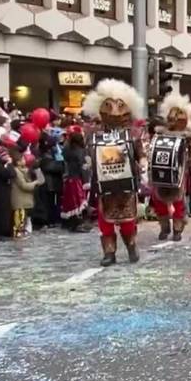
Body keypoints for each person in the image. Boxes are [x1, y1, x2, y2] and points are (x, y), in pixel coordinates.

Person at [82, 79, 146, 266]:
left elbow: (140, 154)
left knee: (127, 220)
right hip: (105, 185)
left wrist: (142, 164)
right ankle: (109, 253)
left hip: (126, 185)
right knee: (105, 221)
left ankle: (131, 245)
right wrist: (88, 164)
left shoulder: (132, 134)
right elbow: (89, 155)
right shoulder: (94, 135)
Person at [149, 93, 191, 242]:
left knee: (178, 200)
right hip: (160, 172)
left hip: (179, 172)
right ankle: (164, 226)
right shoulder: (159, 135)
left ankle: (177, 229)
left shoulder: (188, 137)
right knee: (158, 199)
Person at [60, 126, 92, 232]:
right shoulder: (80, 152)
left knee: (70, 202)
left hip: (69, 179)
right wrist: (86, 180)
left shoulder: (66, 150)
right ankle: (78, 224)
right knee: (78, 202)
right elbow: (83, 167)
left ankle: (71, 223)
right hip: (77, 179)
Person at [9, 148, 44, 238]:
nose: (25, 160)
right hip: (20, 202)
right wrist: (35, 183)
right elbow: (24, 185)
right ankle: (18, 237)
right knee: (19, 222)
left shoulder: (26, 170)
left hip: (26, 201)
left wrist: (37, 170)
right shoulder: (16, 172)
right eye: (23, 159)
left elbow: (41, 181)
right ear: (18, 162)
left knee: (24, 221)